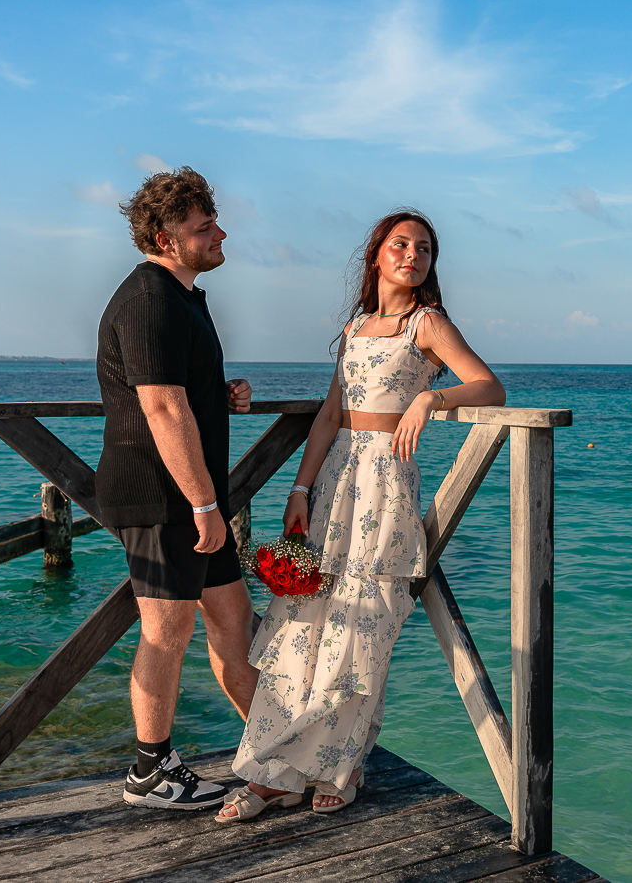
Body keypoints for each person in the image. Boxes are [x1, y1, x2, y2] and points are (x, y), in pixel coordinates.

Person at [216, 208, 505, 822]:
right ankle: (275, 774)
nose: (413, 255)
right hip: (333, 482)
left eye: (425, 248)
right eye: (401, 245)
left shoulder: (426, 324)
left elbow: (488, 386)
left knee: (361, 629)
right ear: (377, 255)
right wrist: (298, 486)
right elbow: (328, 416)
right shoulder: (354, 327)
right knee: (304, 622)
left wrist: (433, 395)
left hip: (385, 483)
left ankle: (340, 767)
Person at [96, 167, 260, 810]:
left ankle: (275, 745)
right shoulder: (149, 299)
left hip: (193, 498)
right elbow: (160, 409)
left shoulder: (185, 296)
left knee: (230, 618)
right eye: (204, 228)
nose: (221, 233)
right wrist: (204, 505)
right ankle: (150, 770)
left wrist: (220, 396)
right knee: (166, 629)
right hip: (162, 497)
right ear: (166, 237)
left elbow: (174, 392)